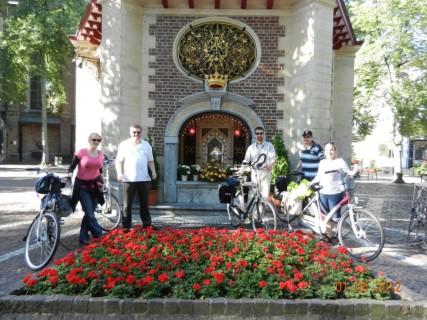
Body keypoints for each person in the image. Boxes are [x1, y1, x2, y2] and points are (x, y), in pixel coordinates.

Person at [115, 124, 157, 230]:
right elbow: (119, 161)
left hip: (144, 179)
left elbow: (150, 160)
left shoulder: (146, 145)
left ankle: (147, 225)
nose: (136, 134)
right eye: (134, 132)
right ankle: (126, 227)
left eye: (138, 132)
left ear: (141, 133)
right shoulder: (124, 145)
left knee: (144, 204)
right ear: (130, 132)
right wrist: (119, 173)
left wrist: (153, 171)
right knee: (127, 205)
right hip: (128, 179)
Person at [68, 132, 104, 245]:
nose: (96, 142)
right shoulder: (81, 152)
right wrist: (68, 178)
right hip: (82, 187)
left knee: (90, 213)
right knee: (89, 213)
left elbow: (100, 170)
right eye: (94, 140)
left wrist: (102, 183)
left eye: (99, 140)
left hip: (95, 187)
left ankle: (83, 237)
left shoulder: (100, 154)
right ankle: (98, 234)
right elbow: (72, 167)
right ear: (89, 140)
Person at [311, 142, 353, 221]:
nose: (329, 152)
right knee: (325, 218)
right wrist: (311, 183)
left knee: (335, 219)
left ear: (335, 151)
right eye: (327, 150)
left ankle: (336, 233)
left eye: (331, 150)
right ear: (324, 151)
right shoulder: (322, 162)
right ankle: (328, 233)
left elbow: (349, 172)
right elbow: (318, 177)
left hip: (335, 194)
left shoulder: (340, 161)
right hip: (322, 193)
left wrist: (355, 172)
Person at [243, 126, 276, 199]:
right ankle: (255, 210)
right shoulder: (251, 148)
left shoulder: (269, 146)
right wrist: (242, 169)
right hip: (255, 173)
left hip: (265, 172)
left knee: (265, 195)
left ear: (263, 134)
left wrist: (270, 164)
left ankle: (262, 210)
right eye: (257, 133)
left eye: (261, 133)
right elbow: (246, 161)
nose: (259, 135)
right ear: (255, 135)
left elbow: (273, 158)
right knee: (255, 195)